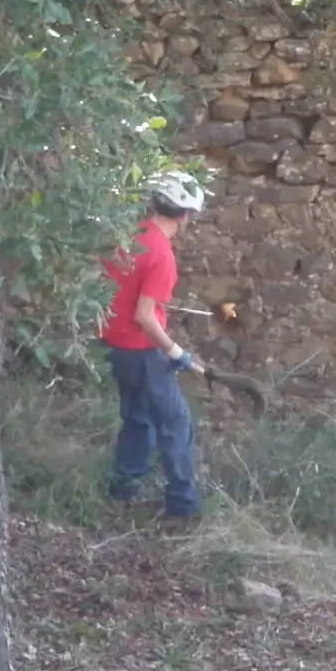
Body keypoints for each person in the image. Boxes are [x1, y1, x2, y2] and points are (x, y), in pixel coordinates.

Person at [101, 171, 206, 525]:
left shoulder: (128, 236)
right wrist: (176, 353)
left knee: (137, 419)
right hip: (143, 350)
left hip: (114, 346)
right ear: (185, 216)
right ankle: (182, 507)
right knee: (176, 423)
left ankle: (122, 491)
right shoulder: (162, 254)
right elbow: (145, 316)